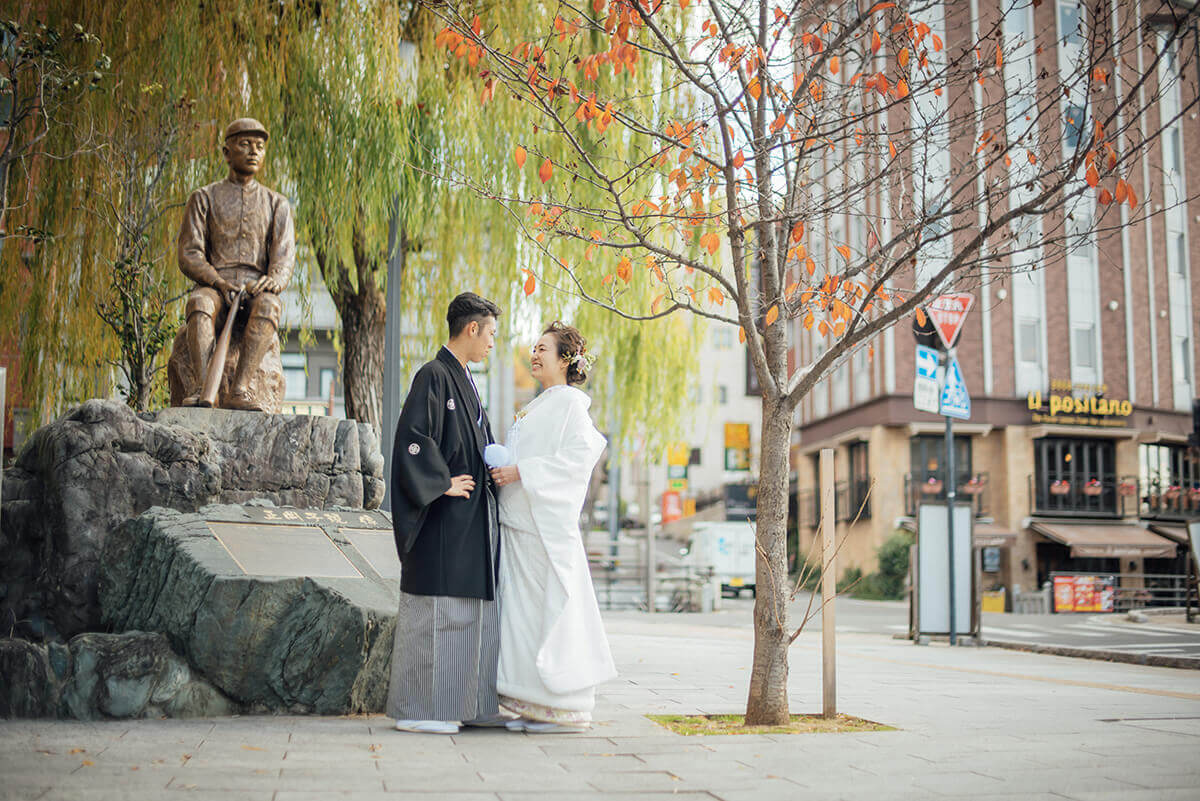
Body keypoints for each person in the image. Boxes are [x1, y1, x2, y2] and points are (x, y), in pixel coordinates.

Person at [386, 292, 508, 735]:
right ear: (471, 328)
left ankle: (461, 702)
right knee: (436, 613)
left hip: (468, 521)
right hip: (442, 519)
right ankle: (421, 709)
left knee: (465, 614)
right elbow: (412, 440)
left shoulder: (465, 380)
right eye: (491, 332)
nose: (493, 342)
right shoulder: (434, 376)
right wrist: (441, 483)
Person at [489, 322, 616, 734]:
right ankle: (532, 703)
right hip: (524, 527)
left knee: (547, 615)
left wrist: (522, 470)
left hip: (543, 529)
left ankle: (563, 706)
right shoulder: (542, 403)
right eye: (534, 347)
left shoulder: (569, 405)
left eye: (544, 348)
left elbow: (583, 453)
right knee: (524, 618)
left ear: (566, 359)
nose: (535, 354)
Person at [177, 117, 295, 409]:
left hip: (255, 288)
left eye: (259, 146)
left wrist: (274, 281)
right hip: (216, 284)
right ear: (227, 152)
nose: (254, 152)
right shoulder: (204, 198)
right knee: (199, 303)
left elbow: (284, 255)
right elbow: (189, 253)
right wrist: (216, 281)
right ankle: (204, 387)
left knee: (270, 306)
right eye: (245, 144)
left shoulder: (276, 203)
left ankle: (240, 389)